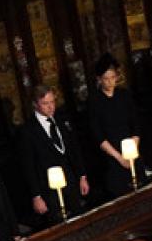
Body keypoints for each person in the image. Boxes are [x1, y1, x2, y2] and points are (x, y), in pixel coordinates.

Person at [21, 85, 90, 223]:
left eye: (52, 102)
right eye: (45, 103)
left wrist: (82, 176)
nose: (51, 107)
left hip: (70, 183)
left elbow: (74, 149)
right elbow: (28, 166)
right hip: (48, 189)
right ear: (35, 104)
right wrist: (36, 196)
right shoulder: (27, 131)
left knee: (80, 220)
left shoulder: (61, 119)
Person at [85, 54, 141, 202]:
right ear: (99, 79)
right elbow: (98, 135)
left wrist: (132, 149)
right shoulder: (94, 101)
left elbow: (135, 124)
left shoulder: (124, 95)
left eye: (113, 77)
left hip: (131, 150)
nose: (110, 82)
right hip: (111, 157)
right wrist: (119, 157)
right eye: (106, 78)